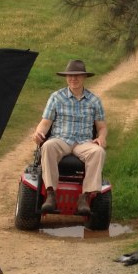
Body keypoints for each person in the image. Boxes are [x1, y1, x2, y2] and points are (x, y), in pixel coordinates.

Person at [32, 59, 107, 215]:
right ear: (66, 77)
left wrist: (101, 137)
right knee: (48, 146)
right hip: (61, 139)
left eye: (77, 75)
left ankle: (85, 197)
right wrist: (38, 133)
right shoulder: (56, 97)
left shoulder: (94, 101)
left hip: (84, 142)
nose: (73, 79)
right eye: (70, 76)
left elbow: (102, 127)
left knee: (98, 152)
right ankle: (51, 194)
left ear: (84, 77)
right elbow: (45, 123)